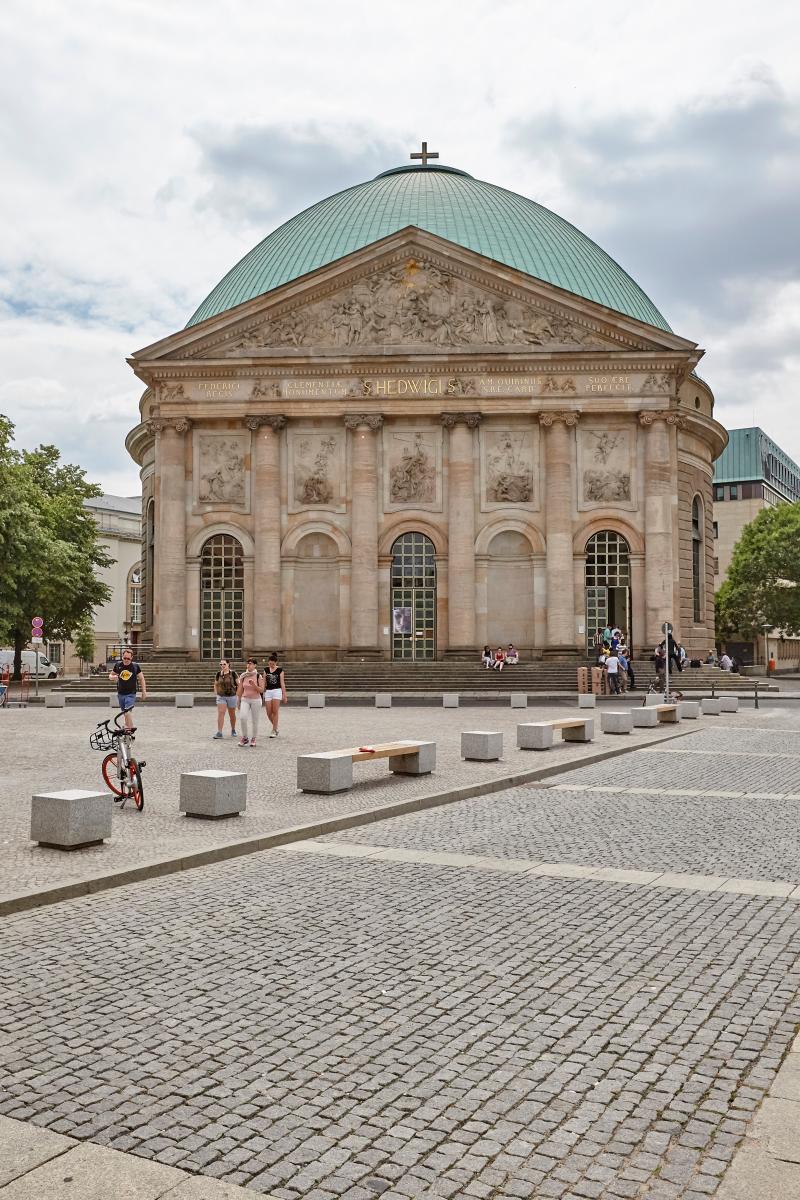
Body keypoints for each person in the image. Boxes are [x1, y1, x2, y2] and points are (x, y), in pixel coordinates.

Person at [108, 648, 147, 731]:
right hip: (121, 693)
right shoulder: (118, 665)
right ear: (122, 656)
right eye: (124, 658)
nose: (126, 660)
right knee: (125, 713)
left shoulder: (135, 666)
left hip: (131, 693)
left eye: (128, 659)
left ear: (131, 658)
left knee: (127, 711)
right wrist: (113, 677)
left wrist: (144, 691)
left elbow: (142, 679)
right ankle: (127, 728)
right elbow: (110, 675)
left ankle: (130, 728)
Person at [236, 658, 264, 747]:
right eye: (247, 663)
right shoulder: (243, 676)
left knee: (255, 721)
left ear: (255, 665)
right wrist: (238, 700)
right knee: (243, 717)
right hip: (245, 699)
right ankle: (245, 738)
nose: (248, 665)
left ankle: (254, 738)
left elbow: (261, 690)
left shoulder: (258, 676)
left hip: (256, 700)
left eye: (251, 663)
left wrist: (254, 685)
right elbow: (240, 689)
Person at [262, 653, 287, 738]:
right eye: (270, 663)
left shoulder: (280, 670)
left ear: (276, 662)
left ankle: (273, 730)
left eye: (273, 664)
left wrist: (284, 695)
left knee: (275, 711)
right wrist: (261, 692)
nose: (271, 665)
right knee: (269, 713)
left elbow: (282, 683)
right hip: (268, 691)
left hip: (277, 691)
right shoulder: (265, 670)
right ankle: (275, 728)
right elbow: (263, 683)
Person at [213, 659, 238, 739]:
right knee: (221, 713)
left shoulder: (233, 673)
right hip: (221, 696)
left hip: (232, 696)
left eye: (224, 664)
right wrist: (216, 693)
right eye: (221, 664)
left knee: (232, 714)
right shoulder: (218, 674)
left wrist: (238, 694)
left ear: (228, 664)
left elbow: (239, 684)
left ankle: (233, 729)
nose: (222, 666)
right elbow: (216, 684)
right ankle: (219, 732)